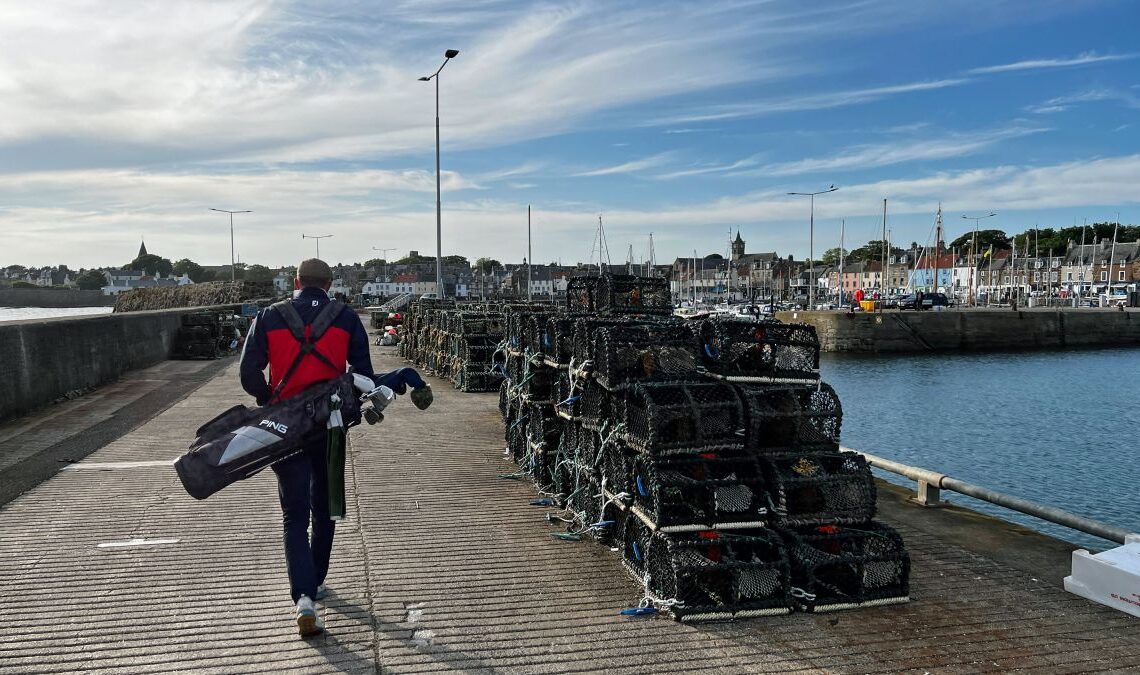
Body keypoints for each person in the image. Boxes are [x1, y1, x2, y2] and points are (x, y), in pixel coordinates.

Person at [239, 258, 374, 638]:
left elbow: (248, 374)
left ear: (297, 281)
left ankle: (303, 598)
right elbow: (364, 377)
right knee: (325, 506)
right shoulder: (346, 318)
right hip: (329, 425)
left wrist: (270, 397)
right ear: (329, 285)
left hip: (285, 424)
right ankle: (313, 581)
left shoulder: (269, 315)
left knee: (294, 514)